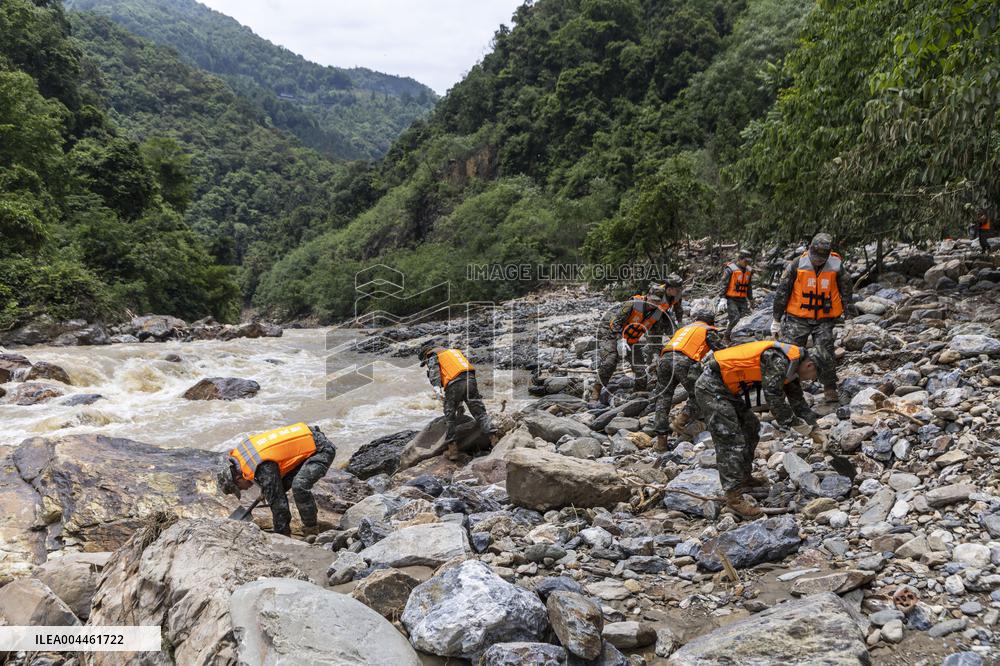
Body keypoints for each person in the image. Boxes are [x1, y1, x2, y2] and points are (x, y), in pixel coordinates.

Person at [695, 341, 828, 518]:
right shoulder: (778, 361)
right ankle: (733, 498)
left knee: (751, 426)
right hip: (711, 387)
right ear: (810, 365)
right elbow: (774, 398)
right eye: (813, 375)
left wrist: (815, 429)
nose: (810, 379)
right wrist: (795, 424)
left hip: (726, 390)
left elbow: (798, 402)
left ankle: (744, 478)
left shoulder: (792, 367)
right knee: (730, 438)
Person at [771, 233, 854, 403]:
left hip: (824, 318)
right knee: (788, 352)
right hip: (797, 317)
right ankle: (782, 388)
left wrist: (850, 317)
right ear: (809, 250)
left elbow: (846, 292)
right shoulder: (796, 265)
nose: (818, 261)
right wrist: (776, 320)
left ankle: (830, 388)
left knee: (826, 351)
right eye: (815, 257)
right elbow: (782, 292)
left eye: (822, 258)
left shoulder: (836, 266)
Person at [216, 422, 336, 536]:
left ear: (238, 478)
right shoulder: (243, 455)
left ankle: (311, 530)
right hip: (309, 438)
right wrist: (267, 488)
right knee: (277, 489)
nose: (245, 489)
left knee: (299, 486)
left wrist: (281, 535)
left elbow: (279, 506)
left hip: (321, 450)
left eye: (240, 489)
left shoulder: (261, 467)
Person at [591, 276, 684, 401]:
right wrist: (619, 340)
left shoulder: (658, 314)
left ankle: (638, 395)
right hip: (613, 336)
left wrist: (658, 353)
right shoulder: (633, 304)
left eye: (657, 302)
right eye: (652, 300)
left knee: (641, 370)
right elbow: (615, 323)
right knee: (610, 362)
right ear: (647, 296)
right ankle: (596, 389)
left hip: (632, 341)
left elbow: (656, 335)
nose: (653, 304)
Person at [652, 305, 725, 452]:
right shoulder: (708, 330)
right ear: (711, 322)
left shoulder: (683, 329)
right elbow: (722, 352)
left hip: (664, 359)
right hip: (684, 361)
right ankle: (681, 420)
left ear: (696, 319)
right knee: (700, 392)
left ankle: (661, 443)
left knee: (663, 399)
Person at [419, 341, 496, 460]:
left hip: (454, 383)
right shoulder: (454, 352)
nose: (427, 364)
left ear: (426, 354)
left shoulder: (433, 354)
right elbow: (460, 374)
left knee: (450, 417)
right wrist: (459, 404)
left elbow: (435, 373)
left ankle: (453, 450)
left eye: (425, 362)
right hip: (470, 380)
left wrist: (437, 389)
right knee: (480, 413)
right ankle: (494, 439)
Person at [717, 250, 754, 341]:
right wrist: (722, 298)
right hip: (731, 299)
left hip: (742, 299)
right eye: (745, 261)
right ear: (740, 259)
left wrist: (751, 299)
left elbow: (748, 286)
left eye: (748, 262)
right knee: (735, 317)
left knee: (745, 318)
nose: (747, 264)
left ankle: (737, 337)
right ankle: (726, 336)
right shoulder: (730, 269)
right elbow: (723, 284)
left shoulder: (749, 270)